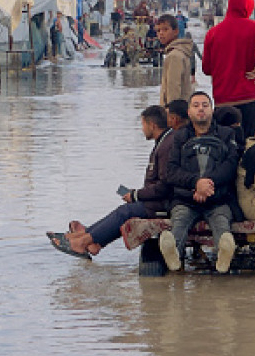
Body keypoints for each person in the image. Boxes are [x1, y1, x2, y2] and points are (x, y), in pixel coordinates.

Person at [48, 106, 176, 258]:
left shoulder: (166, 146)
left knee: (125, 212)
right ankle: (91, 238)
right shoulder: (164, 142)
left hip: (164, 204)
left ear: (152, 125)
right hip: (159, 200)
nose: (142, 129)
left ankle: (83, 242)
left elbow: (164, 186)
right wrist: (135, 195)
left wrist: (136, 195)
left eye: (143, 125)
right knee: (125, 209)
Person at [161, 91, 240, 273]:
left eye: (205, 105)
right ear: (189, 112)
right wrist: (196, 183)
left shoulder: (227, 134)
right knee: (179, 221)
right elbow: (171, 171)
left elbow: (230, 165)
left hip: (218, 197)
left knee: (221, 221)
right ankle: (172, 252)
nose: (201, 109)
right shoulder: (180, 137)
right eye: (196, 105)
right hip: (186, 198)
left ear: (212, 110)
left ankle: (224, 253)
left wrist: (208, 184)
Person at [202, 0, 255, 142]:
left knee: (224, 147)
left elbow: (206, 69)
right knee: (251, 145)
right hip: (250, 98)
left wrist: (223, 68)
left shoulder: (212, 33)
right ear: (247, 7)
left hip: (223, 101)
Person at [156, 14, 194, 105]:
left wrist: (171, 111)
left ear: (176, 31)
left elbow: (173, 87)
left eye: (165, 29)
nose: (161, 33)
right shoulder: (179, 52)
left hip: (175, 111)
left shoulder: (174, 56)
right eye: (158, 30)